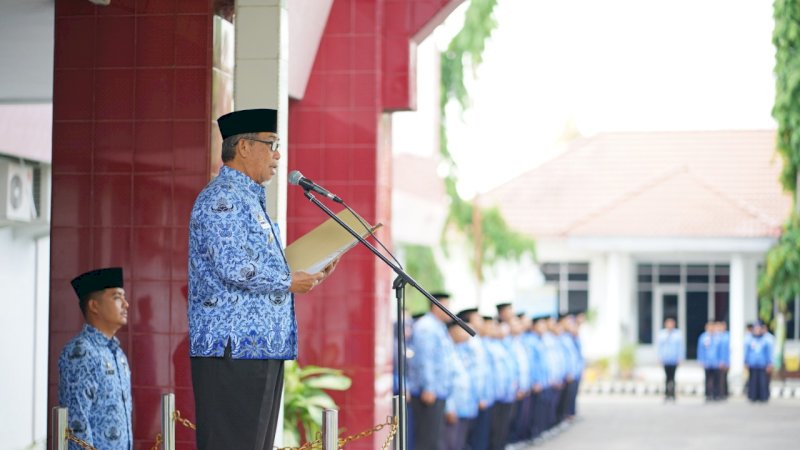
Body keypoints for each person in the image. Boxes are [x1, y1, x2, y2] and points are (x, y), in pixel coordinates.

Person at [188, 108, 338, 450]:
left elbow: (256, 264)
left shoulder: (249, 200)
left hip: (259, 346)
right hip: (233, 347)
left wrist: (309, 268)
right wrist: (288, 281)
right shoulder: (221, 199)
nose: (278, 154)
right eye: (271, 144)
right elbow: (233, 265)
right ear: (243, 147)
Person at [59, 267, 132, 450]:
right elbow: (77, 424)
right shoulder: (81, 352)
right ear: (94, 306)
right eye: (117, 297)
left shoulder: (117, 353)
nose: (126, 304)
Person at [407, 292, 456, 450]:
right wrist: (428, 387)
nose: (450, 311)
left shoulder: (438, 326)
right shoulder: (426, 327)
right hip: (429, 393)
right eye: (446, 306)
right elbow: (424, 359)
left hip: (439, 390)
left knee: (434, 439)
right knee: (426, 440)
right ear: (436, 306)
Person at [744, 321, 773, 402]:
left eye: (758, 329)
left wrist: (769, 363)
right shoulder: (750, 339)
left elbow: (768, 353)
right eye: (755, 329)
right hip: (752, 364)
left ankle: (763, 397)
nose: (757, 331)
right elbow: (747, 352)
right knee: (753, 382)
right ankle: (753, 397)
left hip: (762, 364)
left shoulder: (765, 340)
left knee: (762, 382)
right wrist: (745, 361)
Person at [656, 317, 683, 401]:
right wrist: (659, 357)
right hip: (665, 359)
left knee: (673, 377)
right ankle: (667, 394)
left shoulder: (678, 334)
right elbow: (659, 347)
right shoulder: (662, 334)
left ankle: (673, 394)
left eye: (671, 324)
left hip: (674, 359)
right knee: (667, 377)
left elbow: (680, 347)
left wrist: (680, 357)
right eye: (668, 324)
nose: (669, 325)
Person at [697, 321, 720, 401]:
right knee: (708, 379)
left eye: (712, 327)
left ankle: (716, 394)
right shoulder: (703, 337)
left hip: (716, 362)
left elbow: (721, 350)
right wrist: (701, 360)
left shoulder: (718, 337)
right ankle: (708, 394)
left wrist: (721, 360)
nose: (711, 328)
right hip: (707, 362)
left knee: (716, 379)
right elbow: (700, 350)